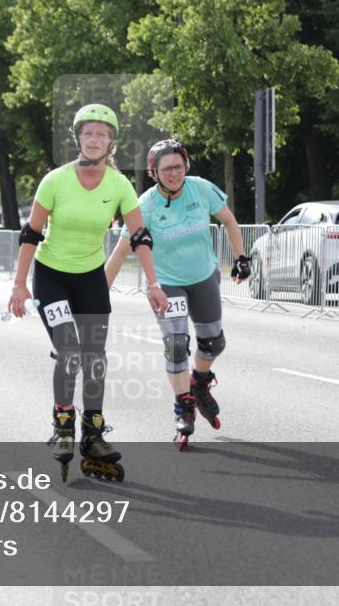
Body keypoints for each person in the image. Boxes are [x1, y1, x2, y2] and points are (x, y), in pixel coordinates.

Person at [7, 104, 168, 481]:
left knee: (95, 357)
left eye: (102, 134)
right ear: (78, 138)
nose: (94, 140)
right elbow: (31, 234)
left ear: (111, 141)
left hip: (90, 278)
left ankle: (93, 434)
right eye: (88, 133)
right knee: (69, 351)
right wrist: (18, 285)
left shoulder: (119, 184)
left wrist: (154, 283)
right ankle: (63, 424)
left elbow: (139, 236)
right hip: (51, 278)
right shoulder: (55, 180)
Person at [105, 139, 250, 451]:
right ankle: (183, 407)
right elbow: (119, 254)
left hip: (202, 276)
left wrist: (241, 259)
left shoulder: (201, 189)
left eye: (179, 166)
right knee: (176, 344)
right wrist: (96, 296)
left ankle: (199, 381)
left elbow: (228, 220)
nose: (174, 173)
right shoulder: (144, 206)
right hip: (166, 282)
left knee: (213, 342)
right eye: (167, 168)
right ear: (155, 172)